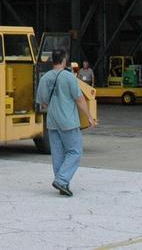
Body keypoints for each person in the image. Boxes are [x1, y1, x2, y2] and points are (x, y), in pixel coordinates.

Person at [35, 49, 95, 197]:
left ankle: (62, 182)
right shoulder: (68, 77)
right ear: (63, 60)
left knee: (58, 154)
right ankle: (62, 180)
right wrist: (89, 116)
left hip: (52, 121)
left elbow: (42, 103)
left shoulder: (45, 78)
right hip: (68, 121)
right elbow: (79, 99)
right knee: (75, 151)